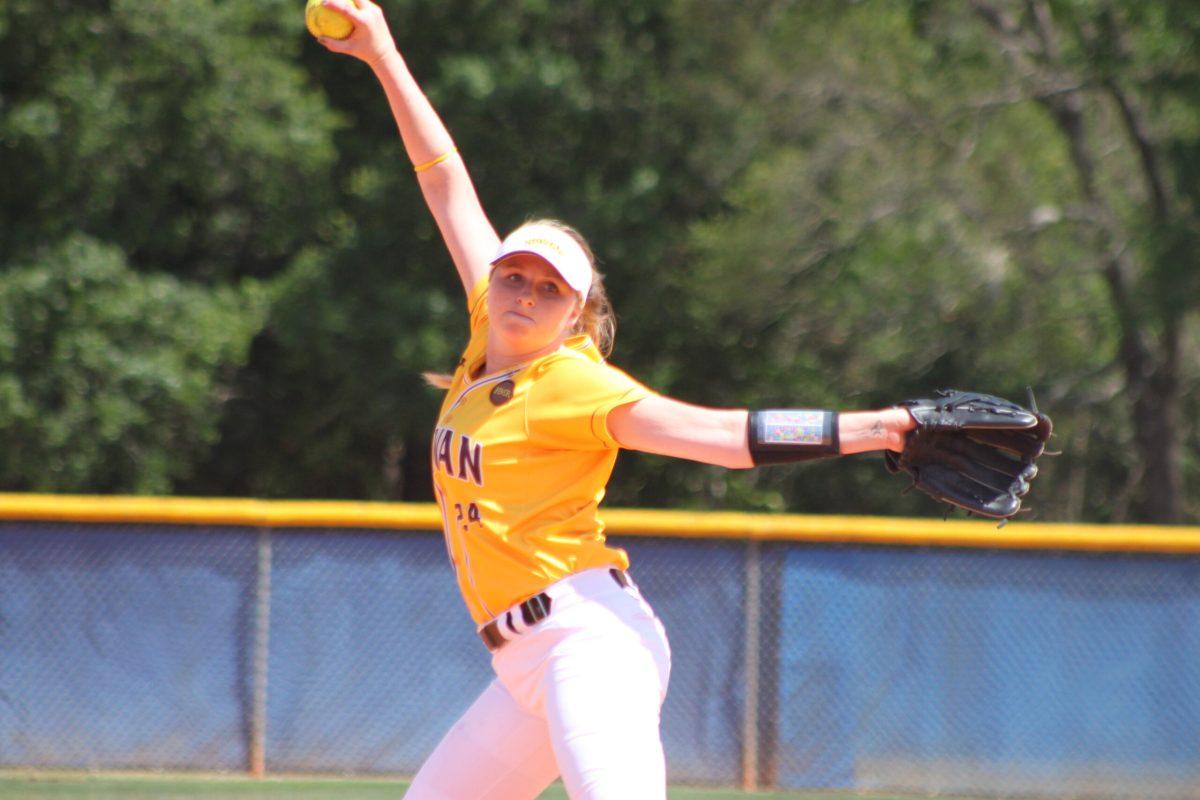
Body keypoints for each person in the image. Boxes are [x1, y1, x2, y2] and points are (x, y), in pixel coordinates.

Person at [316, 3, 916, 797]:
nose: (525, 292)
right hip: (524, 664)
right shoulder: (483, 335)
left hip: (588, 644)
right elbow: (446, 184)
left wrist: (877, 428)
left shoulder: (571, 380)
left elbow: (721, 437)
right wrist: (384, 55)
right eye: (515, 274)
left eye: (549, 288)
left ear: (577, 313)